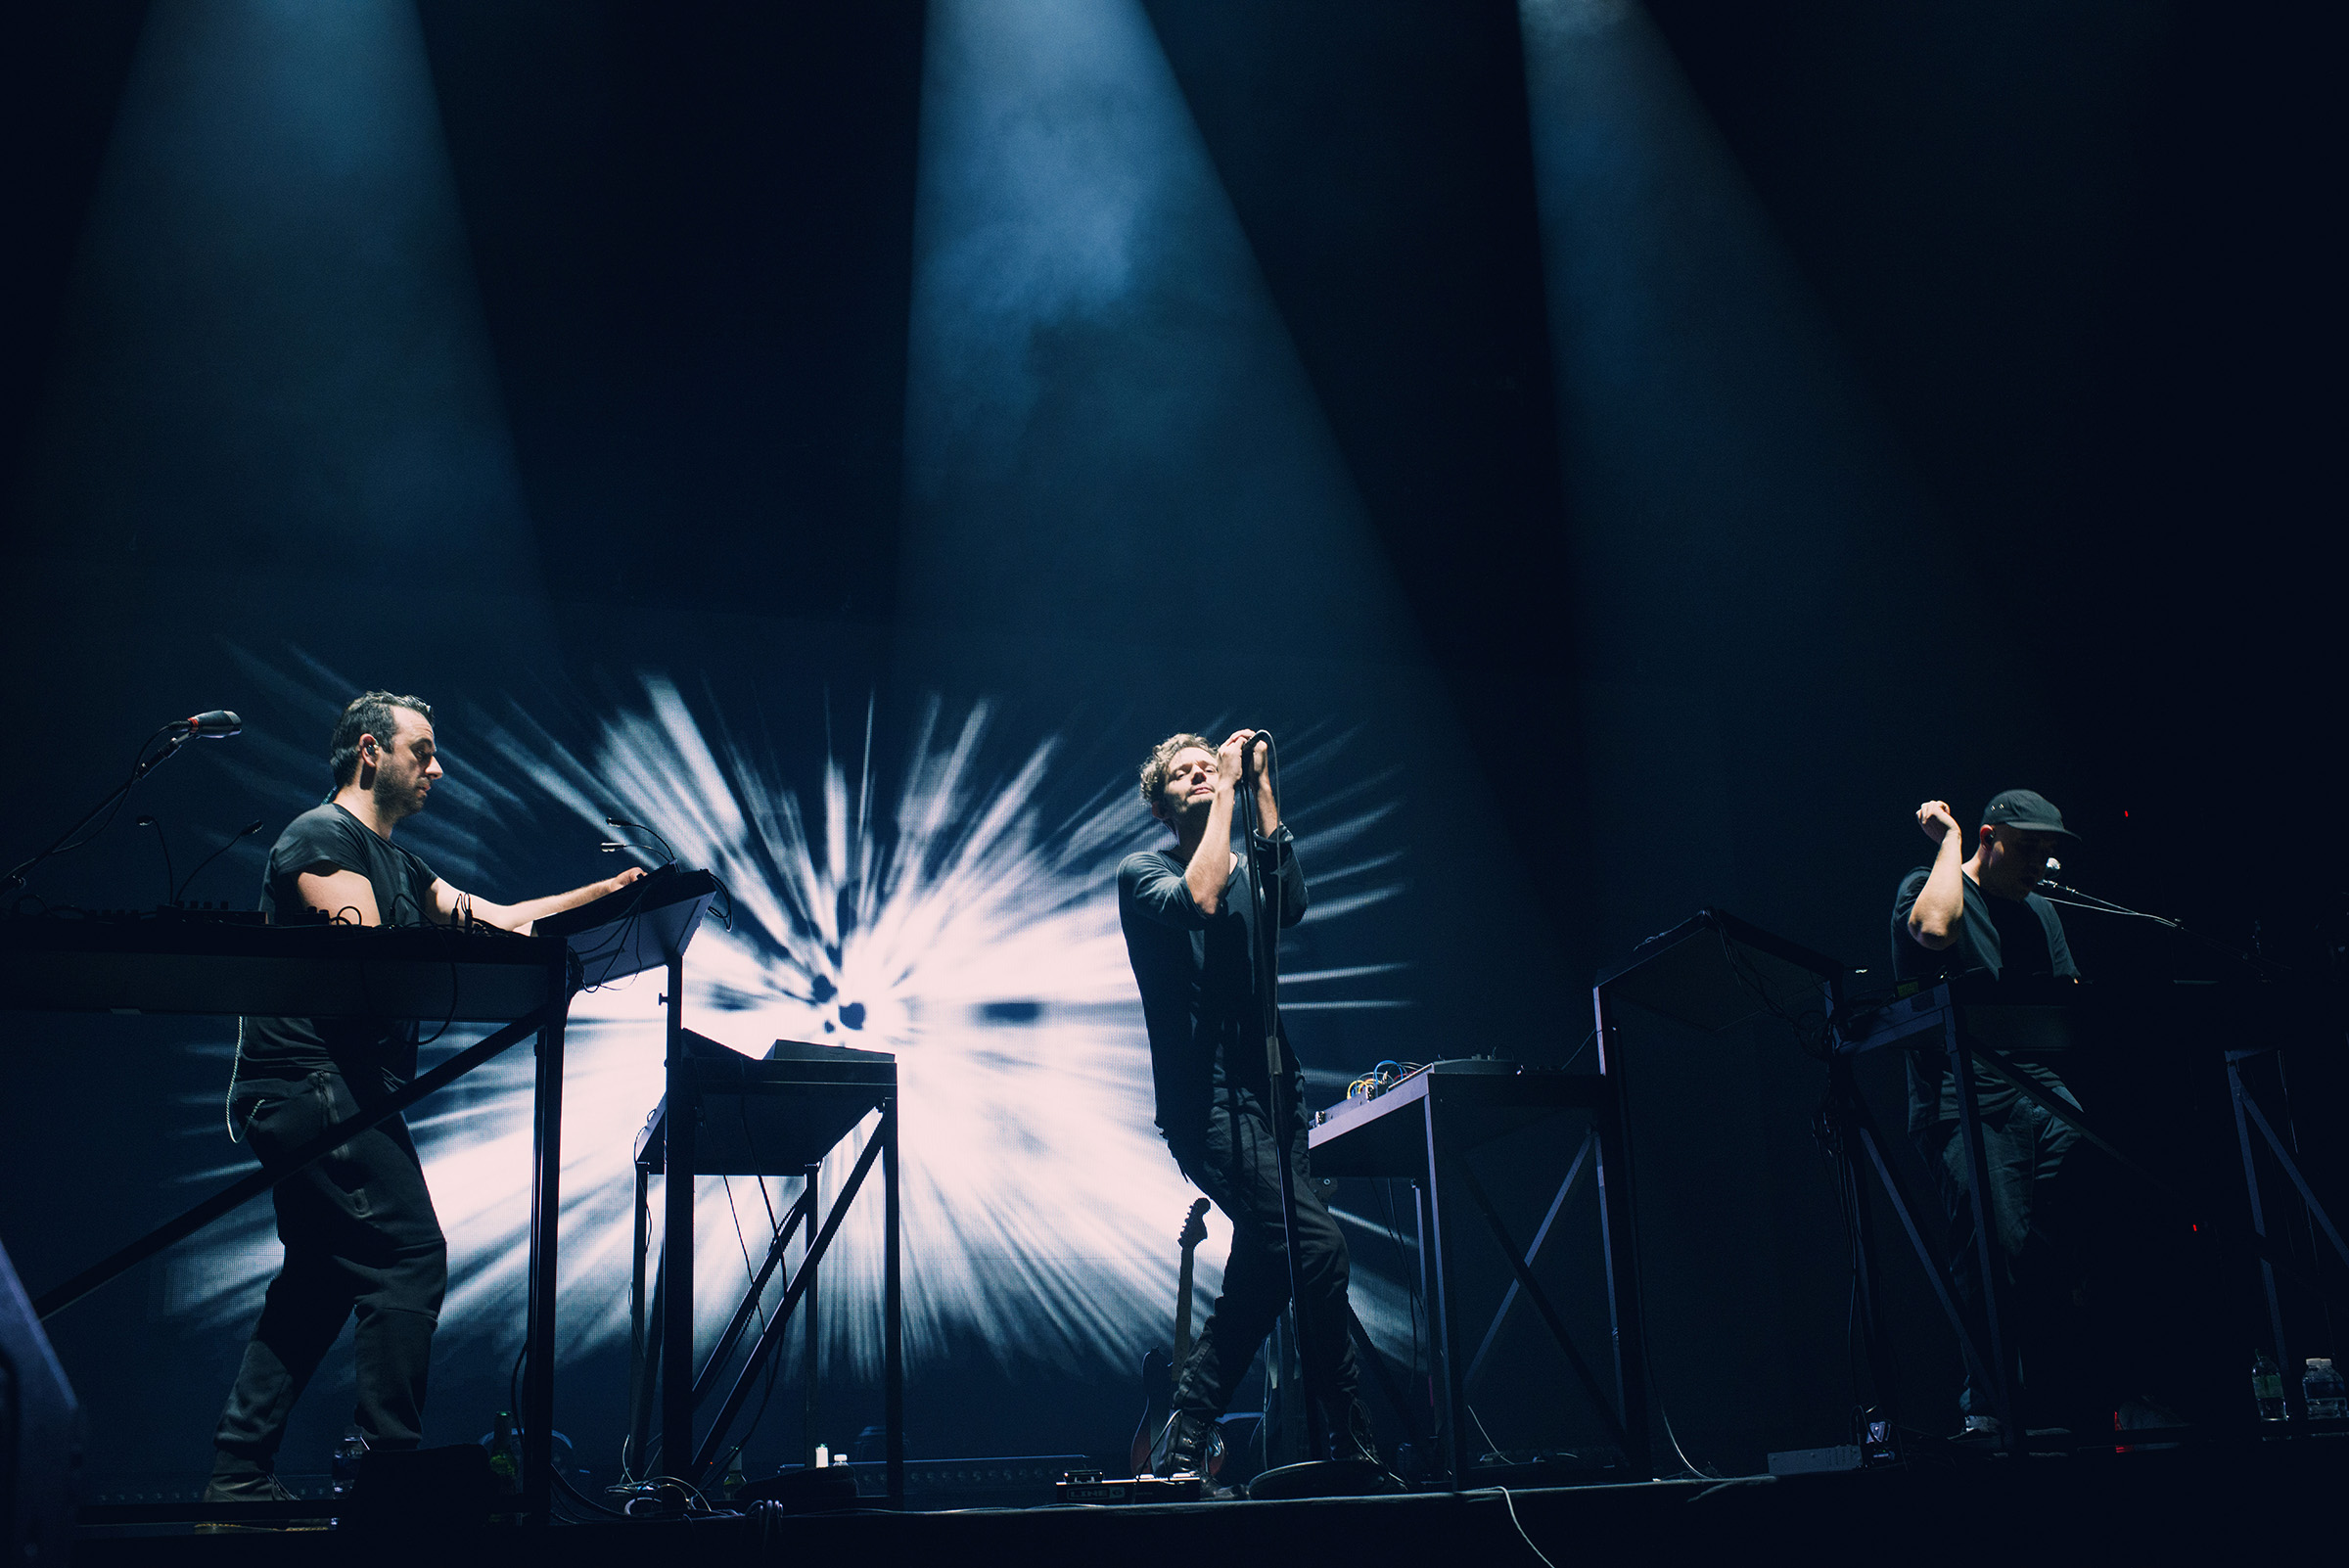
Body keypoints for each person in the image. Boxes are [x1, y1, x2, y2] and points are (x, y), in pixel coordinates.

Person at [205, 691, 644, 1503]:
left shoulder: (402, 864)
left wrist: (608, 896)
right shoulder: (320, 837)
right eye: (423, 751)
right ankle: (388, 1473)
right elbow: (366, 949)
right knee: (409, 1256)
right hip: (311, 1083)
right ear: (370, 751)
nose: (436, 768)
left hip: (339, 1087)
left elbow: (499, 920)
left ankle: (237, 1477)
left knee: (319, 1278)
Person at [1117, 729, 1375, 1485]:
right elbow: (1197, 901)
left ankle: (1185, 1442)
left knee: (1265, 1278)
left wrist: (1263, 790)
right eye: (1187, 774)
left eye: (1209, 765)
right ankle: (1351, 1445)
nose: (1203, 775)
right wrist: (1228, 788)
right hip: (1209, 1108)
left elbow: (1291, 903)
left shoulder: (1247, 866)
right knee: (1319, 1250)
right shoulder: (1144, 872)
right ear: (1163, 804)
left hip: (1277, 1097)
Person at [1890, 787, 2083, 1439]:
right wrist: (1947, 843)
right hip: (1962, 1093)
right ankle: (1988, 1411)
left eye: (2046, 853)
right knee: (1992, 1244)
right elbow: (1932, 931)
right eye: (2027, 849)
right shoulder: (1931, 885)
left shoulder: (2041, 914)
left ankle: (2073, 1394)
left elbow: (2067, 1009)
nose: (2038, 864)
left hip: (2036, 1088)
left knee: (2091, 1197)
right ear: (1988, 836)